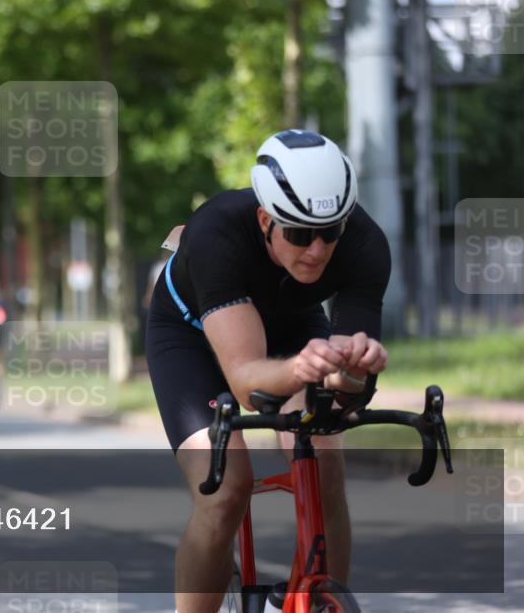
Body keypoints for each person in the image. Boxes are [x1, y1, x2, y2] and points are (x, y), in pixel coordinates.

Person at [145, 130, 390, 613]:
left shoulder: (366, 245)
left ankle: (320, 599)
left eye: (330, 233)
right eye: (299, 234)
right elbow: (247, 381)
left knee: (324, 461)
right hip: (190, 333)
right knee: (225, 491)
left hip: (291, 325)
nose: (317, 250)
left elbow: (347, 394)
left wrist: (355, 371)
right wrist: (301, 367)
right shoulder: (217, 232)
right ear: (265, 219)